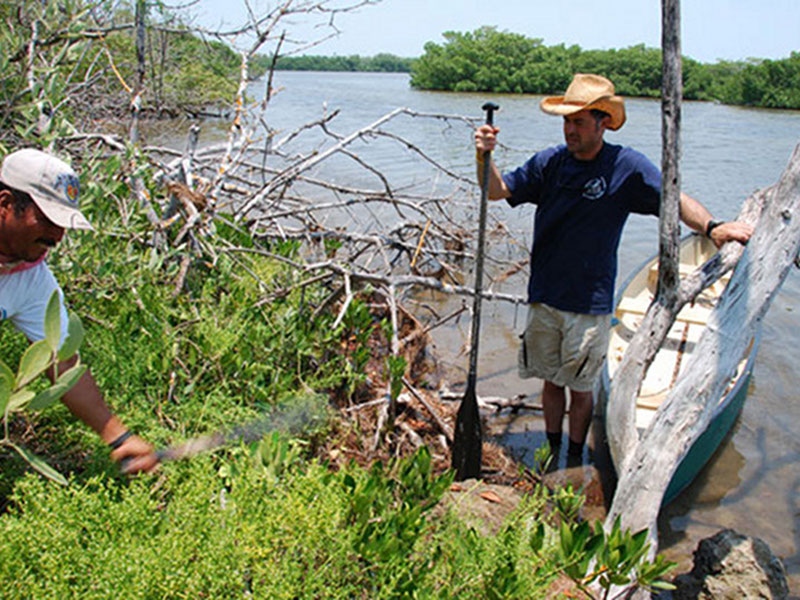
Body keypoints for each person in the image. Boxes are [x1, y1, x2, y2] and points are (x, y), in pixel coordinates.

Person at [474, 73, 754, 459]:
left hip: (590, 303)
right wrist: (483, 156)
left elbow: (673, 199)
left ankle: (575, 456)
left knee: (582, 387)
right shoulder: (550, 162)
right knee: (551, 382)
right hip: (544, 294)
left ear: (603, 122)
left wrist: (713, 227)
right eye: (566, 121)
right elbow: (496, 190)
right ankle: (551, 451)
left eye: (578, 122)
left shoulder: (625, 166)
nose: (569, 130)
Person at [0, 148, 158, 473]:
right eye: (46, 219)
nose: (57, 236)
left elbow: (62, 362)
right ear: (5, 204)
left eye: (62, 223)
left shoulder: (31, 278)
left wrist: (119, 437)